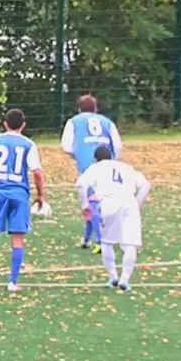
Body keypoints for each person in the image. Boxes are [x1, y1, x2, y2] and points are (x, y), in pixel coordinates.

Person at [0, 108, 47, 292]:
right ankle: (12, 283)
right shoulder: (28, 144)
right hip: (19, 194)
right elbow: (37, 172)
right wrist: (41, 196)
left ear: (5, 123)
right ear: (23, 125)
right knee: (17, 238)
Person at [75, 145, 151, 291]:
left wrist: (85, 205)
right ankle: (125, 279)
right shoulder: (125, 167)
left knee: (107, 242)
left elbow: (81, 184)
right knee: (130, 243)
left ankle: (113, 277)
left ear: (95, 159)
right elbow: (146, 185)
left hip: (109, 203)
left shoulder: (95, 168)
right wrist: (137, 203)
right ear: (111, 156)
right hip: (129, 202)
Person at [60, 94, 122, 252]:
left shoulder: (73, 121)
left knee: (92, 202)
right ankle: (86, 239)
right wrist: (113, 158)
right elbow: (118, 144)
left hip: (87, 165)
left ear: (79, 109)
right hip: (108, 162)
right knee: (99, 200)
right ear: (96, 108)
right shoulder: (107, 122)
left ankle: (102, 241)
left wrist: (78, 154)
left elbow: (66, 145)